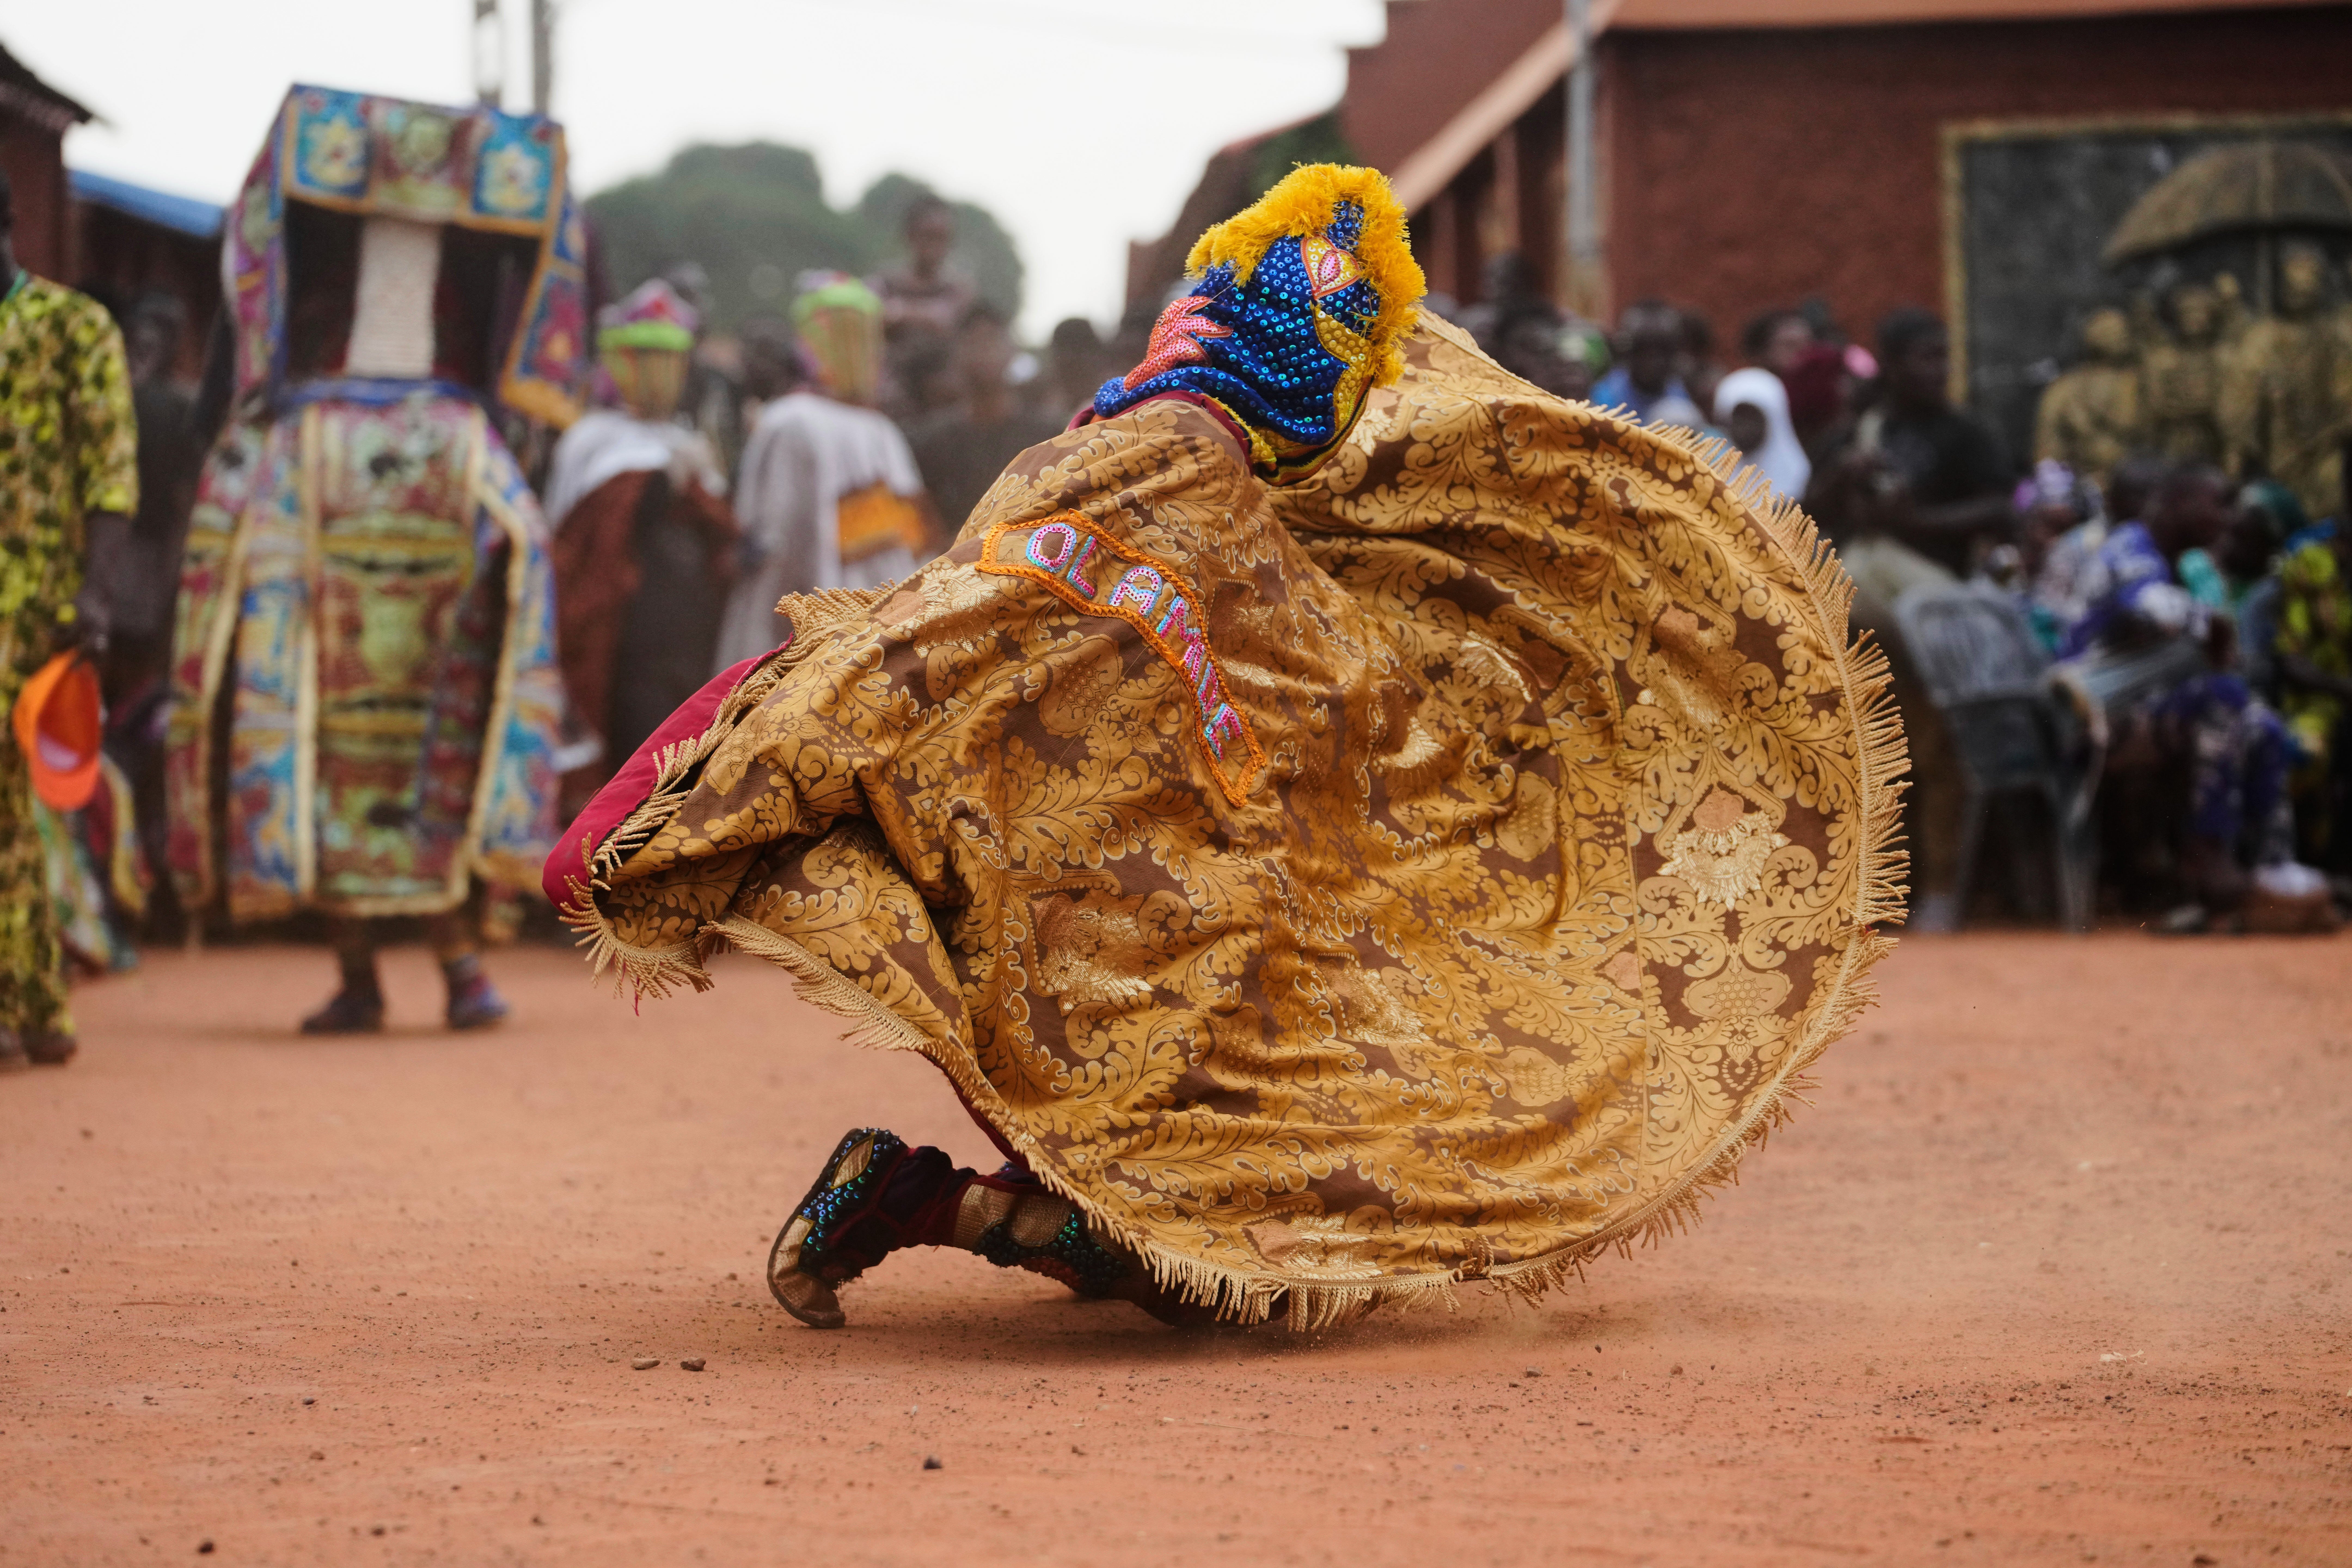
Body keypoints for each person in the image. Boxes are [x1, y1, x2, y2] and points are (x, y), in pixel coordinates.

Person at [547, 166, 1905, 1331]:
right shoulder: (1213, 503)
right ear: (1297, 379)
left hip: (1061, 942)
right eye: (1339, 376)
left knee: (1244, 1233)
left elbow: (927, 643)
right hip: (1144, 986)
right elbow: (1348, 724)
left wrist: (738, 780)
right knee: (1240, 1261)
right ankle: (917, 1199)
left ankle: (931, 1196)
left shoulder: (1067, 463)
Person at [164, 87, 579, 1034]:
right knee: (431, 765)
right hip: (441, 577)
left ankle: (374, 976)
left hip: (329, 561)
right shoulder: (471, 437)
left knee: (327, 770)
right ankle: (458, 970)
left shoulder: (297, 434)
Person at [0, 169, 140, 1068]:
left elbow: (111, 473)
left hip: (36, 610)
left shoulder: (71, 326)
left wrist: (94, 598)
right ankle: (40, 1008)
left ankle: (21, 1010)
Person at [2060, 464, 2301, 926]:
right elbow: (2160, 613)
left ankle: (2274, 872)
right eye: (2219, 503)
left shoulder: (2186, 564)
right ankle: (2205, 859)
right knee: (2220, 699)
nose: (2229, 519)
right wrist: (2211, 626)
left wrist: (2216, 636)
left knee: (2261, 725)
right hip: (2089, 721)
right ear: (2179, 504)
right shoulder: (2130, 549)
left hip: (2147, 714)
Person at [543, 280, 739, 812]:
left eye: (669, 359)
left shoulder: (685, 439)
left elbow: (720, 528)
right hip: (627, 638)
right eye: (646, 357)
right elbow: (587, 539)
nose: (659, 373)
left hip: (690, 639)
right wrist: (661, 486)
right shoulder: (593, 439)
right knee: (634, 761)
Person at [715, 274, 930, 669]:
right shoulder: (878, 430)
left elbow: (763, 537)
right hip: (874, 641)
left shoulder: (794, 420)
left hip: (817, 644)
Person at [906, 303, 1063, 535]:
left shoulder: (1048, 437)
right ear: (956, 356)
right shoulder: (928, 442)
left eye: (991, 341)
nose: (983, 353)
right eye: (973, 343)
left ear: (1010, 352)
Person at [869, 194, 976, 419]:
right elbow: (870, 319)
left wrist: (900, 314)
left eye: (943, 238)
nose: (935, 247)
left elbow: (956, 327)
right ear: (910, 236)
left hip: (942, 403)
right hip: (888, 399)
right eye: (928, 236)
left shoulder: (959, 290)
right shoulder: (885, 283)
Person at [2034, 307, 2142, 487]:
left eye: (2123, 332)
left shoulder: (2137, 384)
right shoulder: (2065, 389)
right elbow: (2047, 446)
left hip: (2135, 485)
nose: (2122, 337)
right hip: (2077, 484)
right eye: (2111, 332)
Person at [1592, 300, 1706, 428]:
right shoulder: (1606, 397)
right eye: (1643, 352)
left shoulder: (1679, 396)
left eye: (1662, 352)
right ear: (1628, 352)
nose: (1653, 362)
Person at [1712, 366, 1809, 503]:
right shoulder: (1710, 477)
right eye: (1738, 419)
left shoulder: (1801, 480)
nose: (1745, 428)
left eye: (1753, 418)